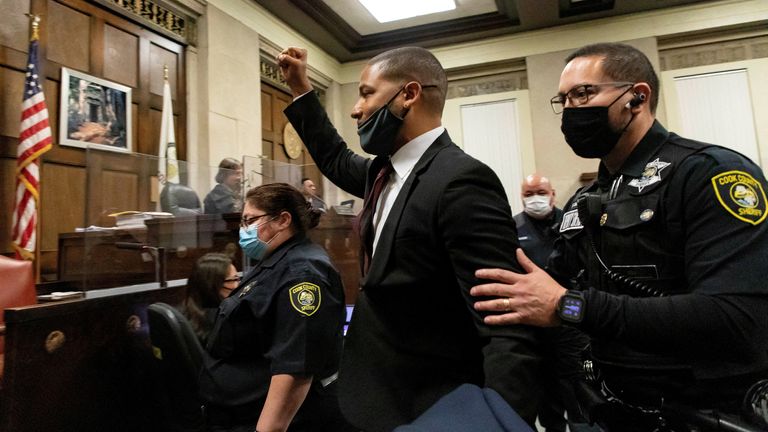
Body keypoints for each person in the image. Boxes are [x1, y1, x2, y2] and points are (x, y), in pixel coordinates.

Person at [471, 42, 768, 431]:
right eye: (564, 99)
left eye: (584, 93)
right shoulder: (584, 201)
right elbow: (548, 292)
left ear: (637, 97)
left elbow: (737, 318)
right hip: (610, 410)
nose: (572, 109)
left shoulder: (708, 173)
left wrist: (568, 307)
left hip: (703, 412)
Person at [278, 46, 540, 431]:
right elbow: (334, 158)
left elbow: (503, 319)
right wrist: (301, 88)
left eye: (367, 93)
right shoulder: (382, 173)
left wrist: (497, 419)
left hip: (429, 406)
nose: (356, 109)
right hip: (376, 393)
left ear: (409, 95)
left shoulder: (461, 180)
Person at [199, 183, 353, 432]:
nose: (243, 230)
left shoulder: (302, 275)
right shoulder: (277, 259)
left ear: (283, 220)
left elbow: (295, 370)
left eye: (250, 221)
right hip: (238, 415)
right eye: (242, 222)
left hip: (276, 422)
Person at [514, 174, 591, 432]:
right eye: (528, 194)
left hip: (570, 314)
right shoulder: (512, 228)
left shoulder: (570, 222)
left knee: (577, 382)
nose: (535, 198)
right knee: (545, 387)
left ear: (553, 194)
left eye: (540, 192)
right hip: (533, 322)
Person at [179, 253, 238, 345]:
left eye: (238, 279)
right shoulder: (222, 323)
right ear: (211, 285)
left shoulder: (187, 311)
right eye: (232, 280)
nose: (237, 285)